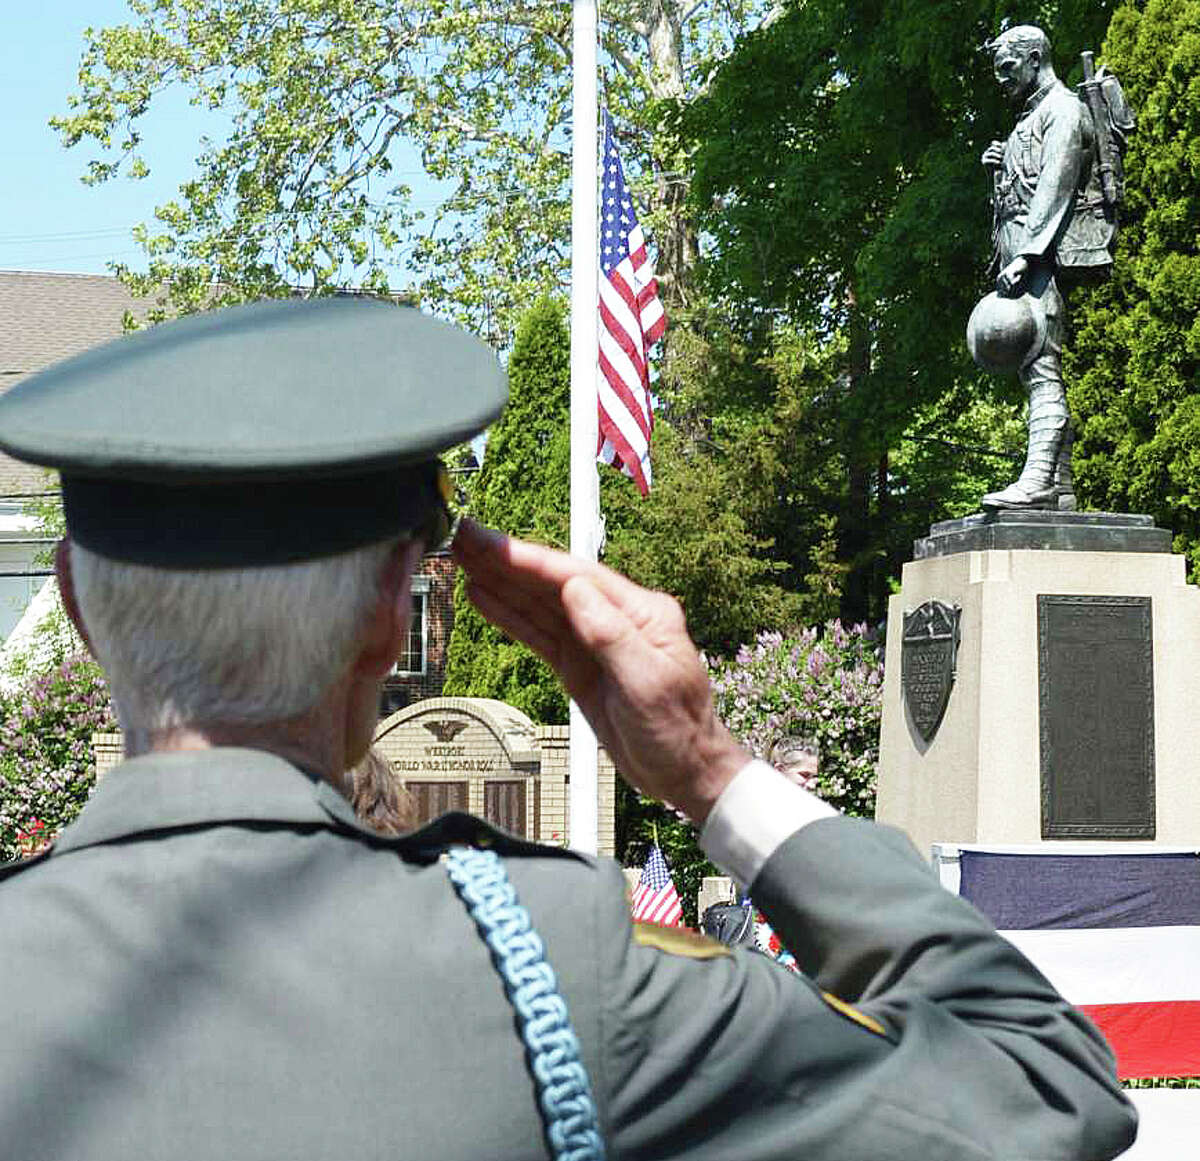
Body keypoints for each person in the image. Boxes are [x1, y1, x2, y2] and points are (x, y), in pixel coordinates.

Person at [0, 297, 1135, 1159]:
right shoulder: (554, 972)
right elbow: (1041, 1088)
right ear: (393, 617)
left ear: (82, 605)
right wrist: (707, 769)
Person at [980, 25, 1121, 511]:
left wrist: (1026, 256)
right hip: (1023, 254)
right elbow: (1022, 187)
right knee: (1034, 366)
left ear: (1035, 58)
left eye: (1008, 67)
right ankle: (1059, 489)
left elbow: (1055, 188)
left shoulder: (1063, 110)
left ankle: (1038, 480)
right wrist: (998, 166)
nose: (1001, 79)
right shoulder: (1030, 116)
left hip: (1039, 260)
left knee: (1040, 364)